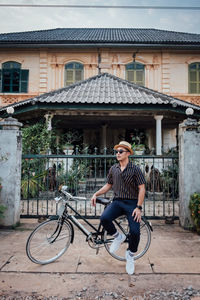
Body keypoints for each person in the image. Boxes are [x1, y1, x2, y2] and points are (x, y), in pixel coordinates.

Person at [91, 141, 145, 275]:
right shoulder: (113, 168)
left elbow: (142, 188)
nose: (118, 154)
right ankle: (118, 236)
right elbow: (108, 185)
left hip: (132, 203)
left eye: (121, 151)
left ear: (127, 154)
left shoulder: (135, 169)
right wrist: (96, 194)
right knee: (104, 218)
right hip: (117, 201)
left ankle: (130, 255)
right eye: (117, 151)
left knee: (135, 232)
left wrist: (138, 207)